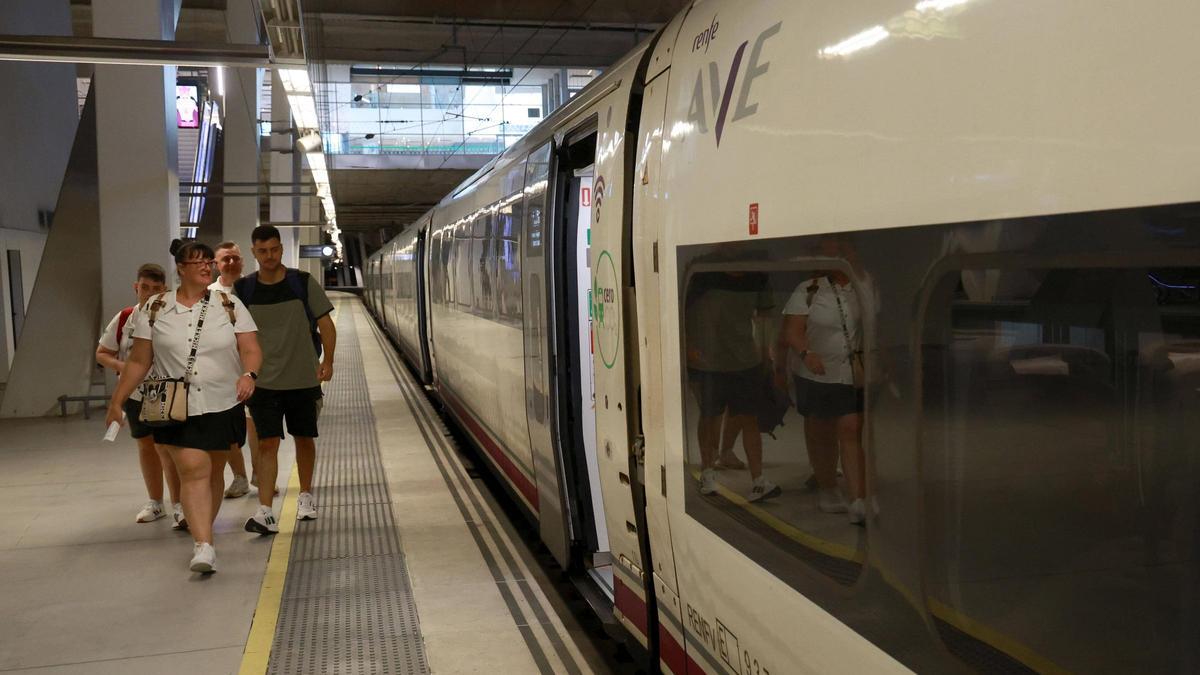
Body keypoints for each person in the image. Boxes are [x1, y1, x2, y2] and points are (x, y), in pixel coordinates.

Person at [106, 240, 262, 573]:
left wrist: (249, 374)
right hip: (176, 405)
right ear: (180, 268)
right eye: (198, 262)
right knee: (193, 470)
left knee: (214, 473)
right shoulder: (154, 308)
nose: (207, 266)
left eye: (209, 262)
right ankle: (204, 545)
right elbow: (139, 360)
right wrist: (118, 400)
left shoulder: (229, 304)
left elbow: (250, 348)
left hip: (223, 401)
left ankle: (204, 531)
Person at [236, 225, 335, 533]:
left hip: (303, 378)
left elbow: (326, 324)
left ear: (281, 249)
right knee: (267, 443)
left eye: (274, 249)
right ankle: (265, 510)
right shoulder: (244, 289)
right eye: (263, 251)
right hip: (262, 382)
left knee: (304, 438)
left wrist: (327, 361)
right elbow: (235, 334)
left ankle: (305, 495)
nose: (269, 256)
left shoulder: (302, 282)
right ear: (253, 252)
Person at [780, 246, 867, 524]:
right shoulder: (809, 289)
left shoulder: (862, 287)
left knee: (851, 428)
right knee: (823, 431)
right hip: (816, 375)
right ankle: (828, 486)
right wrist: (806, 354)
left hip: (850, 372)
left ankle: (858, 499)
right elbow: (792, 332)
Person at [95, 263, 184, 527]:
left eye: (156, 289)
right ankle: (156, 502)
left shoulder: (174, 317)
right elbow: (102, 352)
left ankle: (179, 504)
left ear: (165, 291)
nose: (149, 293)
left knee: (167, 448)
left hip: (165, 393)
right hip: (135, 395)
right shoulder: (125, 318)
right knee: (146, 446)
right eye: (145, 288)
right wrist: (122, 366)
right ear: (136, 287)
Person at [685, 268, 780, 502]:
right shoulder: (703, 277)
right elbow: (686, 315)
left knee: (749, 418)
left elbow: (764, 317)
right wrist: (689, 349)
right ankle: (708, 472)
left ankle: (758, 480)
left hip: (745, 361)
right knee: (710, 416)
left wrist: (766, 351)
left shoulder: (757, 276)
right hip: (709, 362)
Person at [210, 241, 256, 498]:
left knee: (257, 427)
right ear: (216, 264)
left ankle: (262, 476)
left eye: (235, 258)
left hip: (254, 370)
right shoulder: (209, 294)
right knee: (229, 433)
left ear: (243, 262)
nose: (231, 263)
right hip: (225, 374)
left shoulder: (252, 289)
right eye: (225, 259)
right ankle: (240, 478)